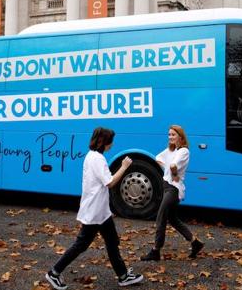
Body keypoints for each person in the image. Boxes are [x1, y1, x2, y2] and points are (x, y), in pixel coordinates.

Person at [45, 127, 144, 290]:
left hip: (101, 211)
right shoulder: (97, 159)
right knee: (81, 244)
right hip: (95, 211)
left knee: (112, 241)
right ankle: (54, 273)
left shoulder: (92, 156)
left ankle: (123, 275)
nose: (112, 144)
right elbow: (110, 182)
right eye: (111, 141)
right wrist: (124, 166)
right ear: (105, 142)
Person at [141, 124, 204, 261]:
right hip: (167, 187)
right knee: (173, 219)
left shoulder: (183, 151)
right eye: (169, 134)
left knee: (161, 217)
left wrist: (174, 173)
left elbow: (173, 165)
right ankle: (195, 242)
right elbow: (158, 158)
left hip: (173, 189)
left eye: (173, 134)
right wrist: (168, 170)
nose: (170, 137)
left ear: (180, 137)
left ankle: (155, 250)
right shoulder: (172, 150)